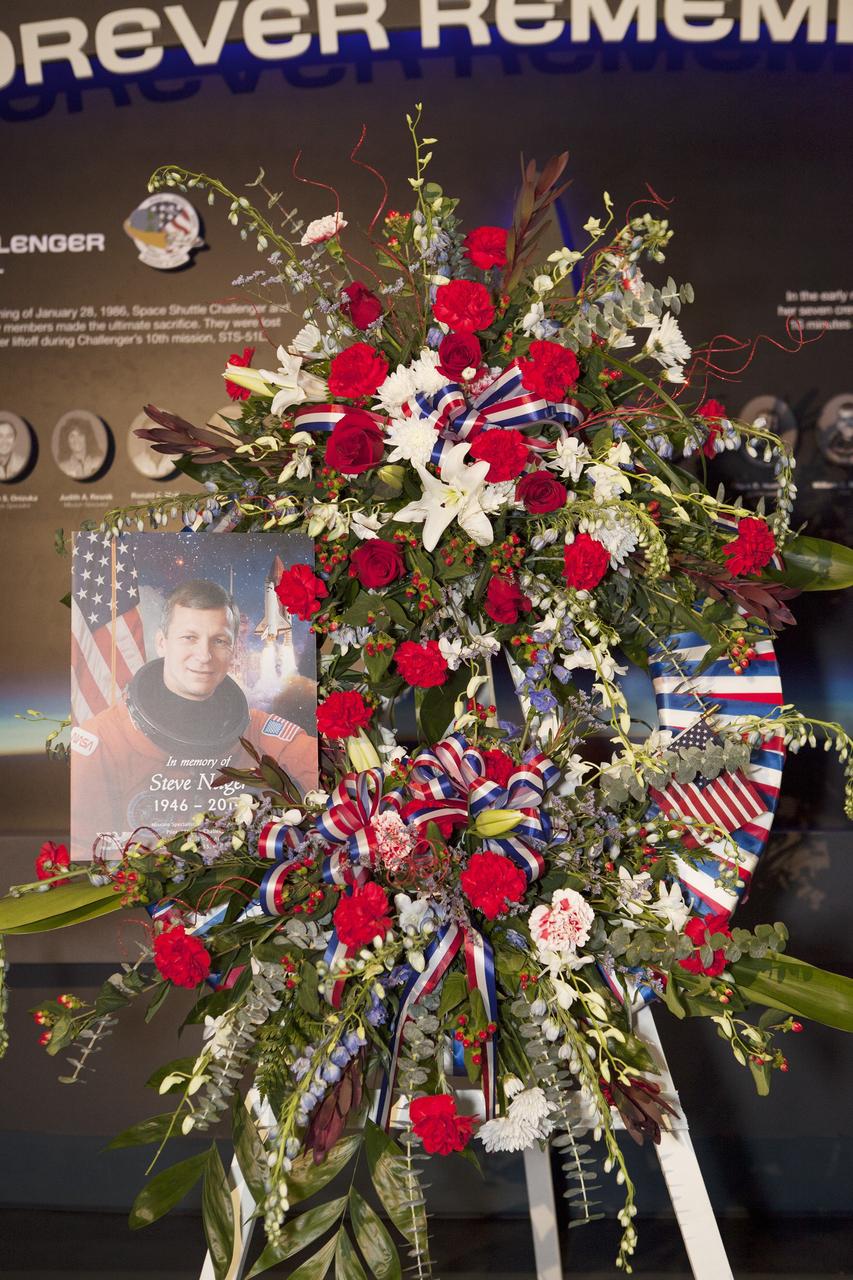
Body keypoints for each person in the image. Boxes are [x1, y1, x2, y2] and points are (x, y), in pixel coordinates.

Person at [70, 579, 318, 856]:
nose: (204, 656)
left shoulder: (256, 731)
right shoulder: (104, 740)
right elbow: (83, 853)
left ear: (233, 648)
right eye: (189, 638)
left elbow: (326, 772)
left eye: (219, 641)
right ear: (162, 643)